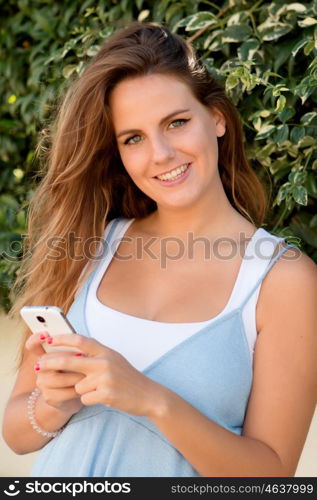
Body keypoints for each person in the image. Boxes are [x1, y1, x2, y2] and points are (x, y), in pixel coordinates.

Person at [2, 21, 317, 478]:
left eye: (177, 123)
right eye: (134, 138)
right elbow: (16, 431)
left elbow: (270, 476)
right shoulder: (89, 246)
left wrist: (151, 399)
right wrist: (53, 404)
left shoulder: (285, 281)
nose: (162, 154)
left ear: (217, 118)